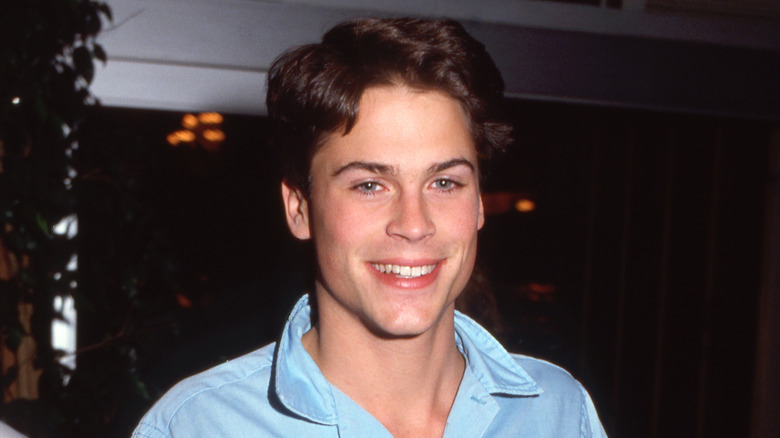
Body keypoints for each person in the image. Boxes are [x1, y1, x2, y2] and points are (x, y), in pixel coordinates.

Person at [132, 17, 607, 438]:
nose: (414, 224)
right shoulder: (198, 428)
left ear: (479, 204)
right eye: (369, 185)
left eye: (444, 182)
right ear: (299, 207)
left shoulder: (557, 413)